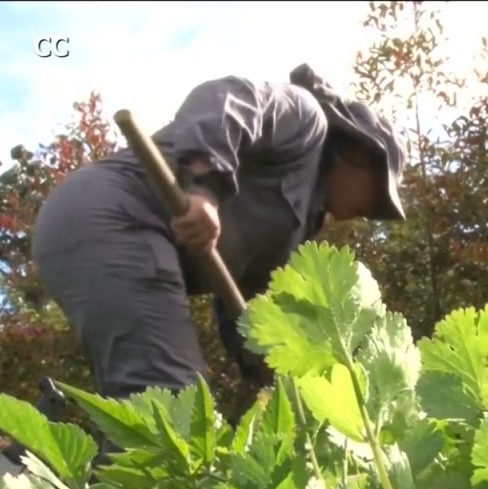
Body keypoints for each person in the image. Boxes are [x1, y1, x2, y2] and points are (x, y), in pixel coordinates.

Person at [31, 63, 407, 424]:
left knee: (175, 412)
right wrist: (205, 189)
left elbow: (245, 307)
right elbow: (225, 100)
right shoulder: (305, 120)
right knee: (175, 408)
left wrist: (266, 367)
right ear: (360, 154)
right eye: (374, 202)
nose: (364, 214)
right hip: (114, 214)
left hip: (133, 238)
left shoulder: (294, 231)